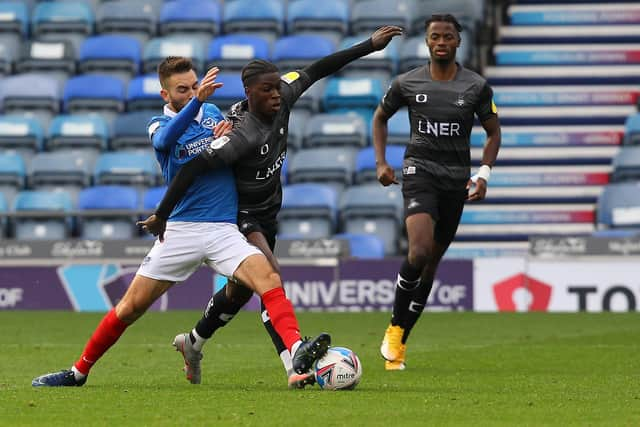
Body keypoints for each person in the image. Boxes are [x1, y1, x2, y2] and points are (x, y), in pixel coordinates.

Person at [32, 57, 330, 387]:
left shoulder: (215, 115)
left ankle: (296, 350)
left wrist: (226, 124)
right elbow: (164, 143)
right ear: (165, 94)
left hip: (224, 229)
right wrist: (198, 102)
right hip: (181, 230)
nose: (190, 93)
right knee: (129, 308)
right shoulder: (158, 125)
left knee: (269, 279)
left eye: (193, 86)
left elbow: (240, 130)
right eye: (182, 89)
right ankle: (78, 372)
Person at [138, 26, 404, 388]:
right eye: (268, 90)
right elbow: (192, 167)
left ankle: (194, 342)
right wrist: (163, 213)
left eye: (279, 86)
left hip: (268, 213)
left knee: (239, 292)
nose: (277, 94)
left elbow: (320, 67)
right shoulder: (239, 129)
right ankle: (294, 362)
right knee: (271, 279)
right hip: (240, 215)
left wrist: (368, 46)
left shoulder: (284, 93)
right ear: (250, 94)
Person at [374, 14, 501, 370]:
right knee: (419, 250)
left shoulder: (475, 86)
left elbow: (494, 133)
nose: (441, 41)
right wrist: (382, 163)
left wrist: (484, 175)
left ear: (458, 41)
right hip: (419, 172)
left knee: (430, 266)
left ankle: (399, 342)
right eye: (434, 36)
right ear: (427, 42)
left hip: (455, 180)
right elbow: (380, 117)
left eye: (447, 36)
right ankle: (395, 328)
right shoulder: (407, 81)